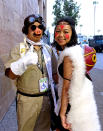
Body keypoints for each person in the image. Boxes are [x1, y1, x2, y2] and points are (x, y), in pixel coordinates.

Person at [4, 14, 57, 131]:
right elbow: (10, 75)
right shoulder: (19, 49)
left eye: (40, 27)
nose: (37, 30)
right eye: (33, 27)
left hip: (45, 100)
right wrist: (22, 63)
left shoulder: (48, 49)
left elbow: (55, 75)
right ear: (26, 30)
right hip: (26, 101)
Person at [53, 16, 101, 131]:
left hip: (72, 106)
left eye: (65, 32)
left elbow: (66, 88)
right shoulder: (75, 50)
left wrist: (63, 114)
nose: (61, 35)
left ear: (72, 34)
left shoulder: (69, 55)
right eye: (58, 31)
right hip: (78, 103)